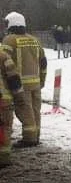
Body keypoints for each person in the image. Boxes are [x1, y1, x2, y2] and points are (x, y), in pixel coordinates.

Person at [2, 12, 45, 147]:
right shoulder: (34, 39)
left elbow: (4, 60)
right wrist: (42, 79)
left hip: (20, 84)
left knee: (24, 110)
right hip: (36, 82)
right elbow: (43, 62)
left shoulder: (9, 40)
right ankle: (36, 135)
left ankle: (29, 139)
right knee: (35, 109)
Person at [0, 49, 24, 167]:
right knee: (4, 128)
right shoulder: (3, 55)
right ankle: (3, 158)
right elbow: (14, 78)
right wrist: (19, 97)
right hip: (3, 100)